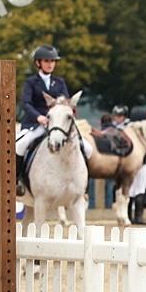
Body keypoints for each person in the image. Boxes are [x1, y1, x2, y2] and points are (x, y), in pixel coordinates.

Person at [14, 44, 91, 195]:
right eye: (46, 61)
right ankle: (18, 181)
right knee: (20, 146)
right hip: (36, 123)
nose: (50, 64)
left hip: (58, 124)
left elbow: (66, 103)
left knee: (87, 148)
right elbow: (26, 103)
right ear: (38, 63)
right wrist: (39, 117)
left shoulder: (60, 82)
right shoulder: (31, 82)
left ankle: (84, 186)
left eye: (52, 61)